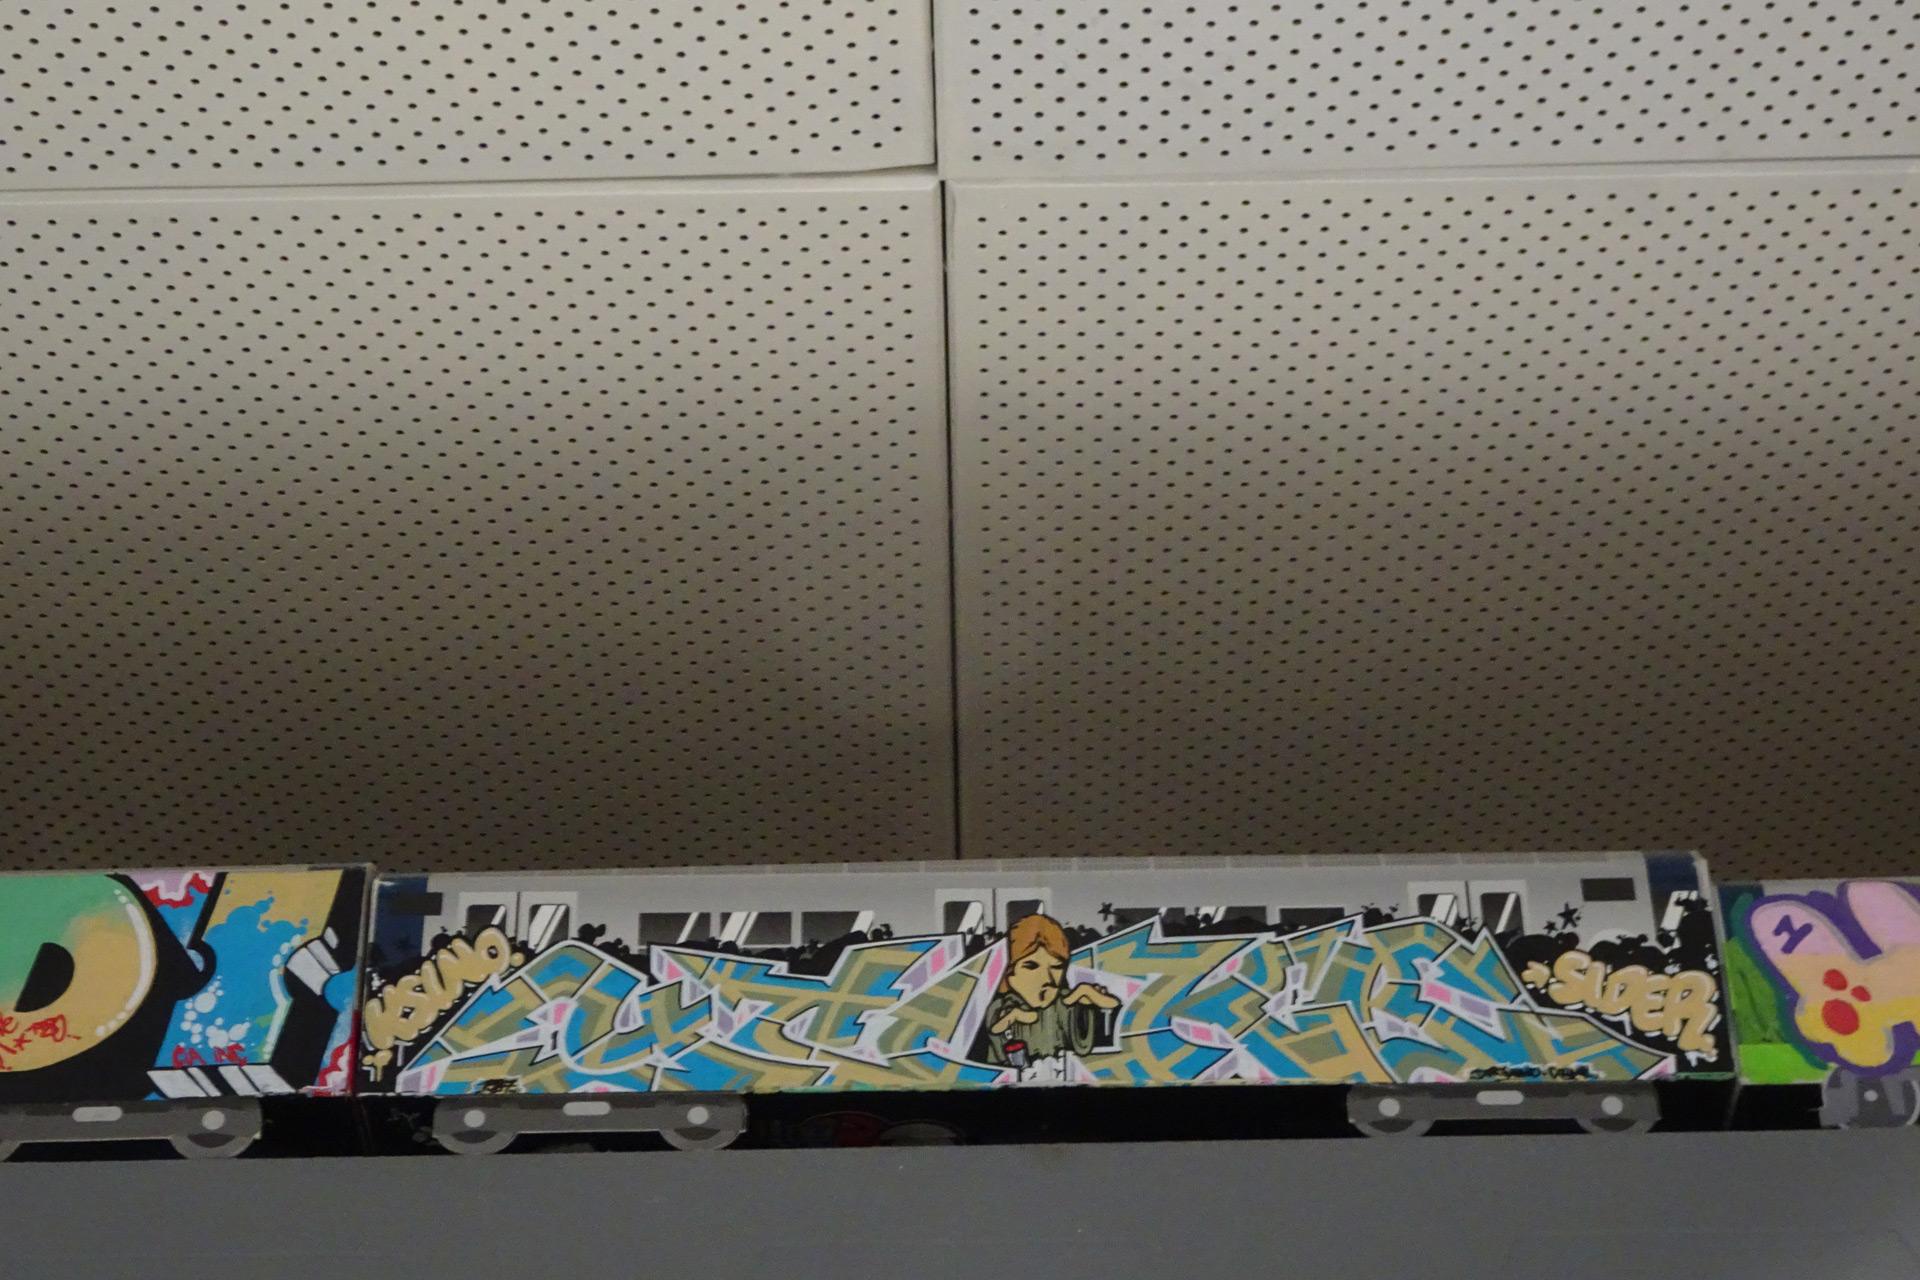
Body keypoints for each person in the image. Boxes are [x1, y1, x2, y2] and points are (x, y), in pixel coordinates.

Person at [984, 914, 1120, 1070]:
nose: (1047, 978)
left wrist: (1087, 993)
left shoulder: (1064, 1000)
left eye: (1056, 967)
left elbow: (1111, 1005)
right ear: (1009, 973)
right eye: (1031, 966)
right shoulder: (999, 1007)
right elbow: (996, 1034)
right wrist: (1013, 1016)